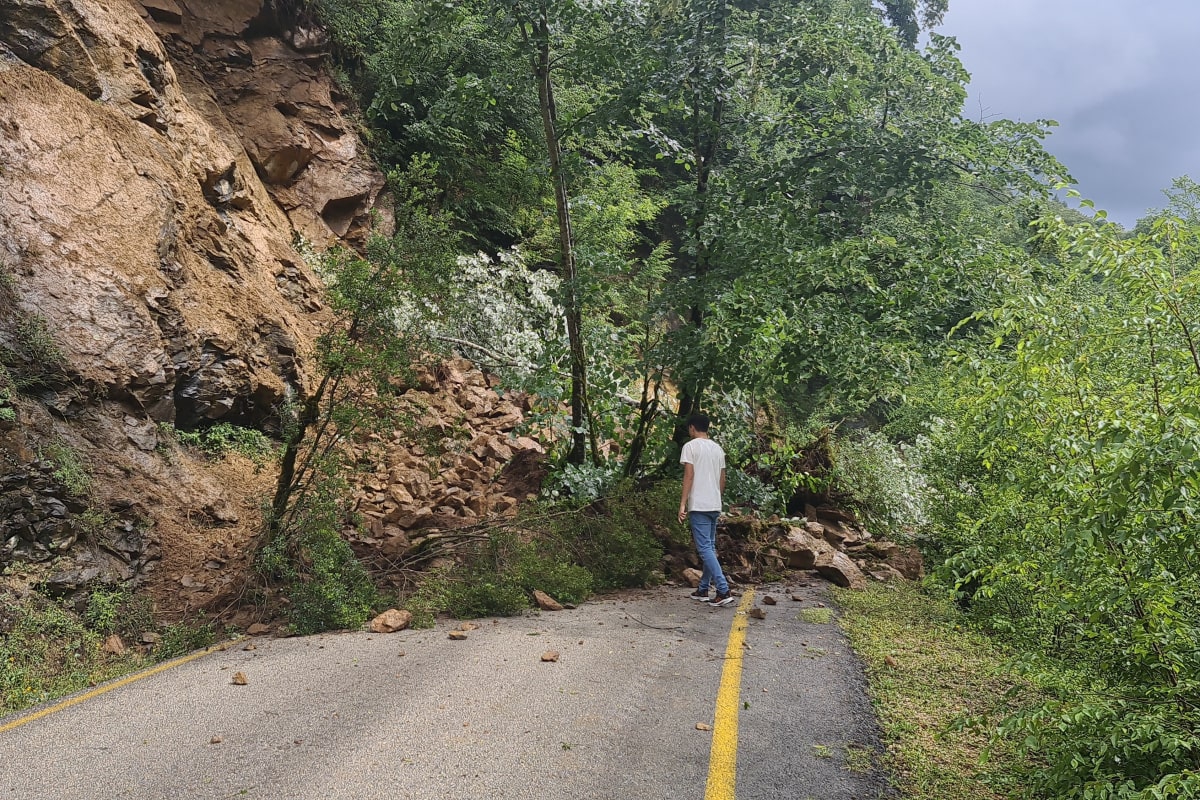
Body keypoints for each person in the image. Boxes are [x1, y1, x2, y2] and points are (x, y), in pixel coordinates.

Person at [678, 413, 735, 607]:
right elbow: (723, 479)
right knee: (709, 547)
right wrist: (717, 497)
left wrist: (683, 503)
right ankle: (703, 589)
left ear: (692, 427)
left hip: (699, 504)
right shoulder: (717, 449)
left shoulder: (690, 447)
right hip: (714, 503)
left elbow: (689, 475)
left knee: (704, 549)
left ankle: (723, 589)